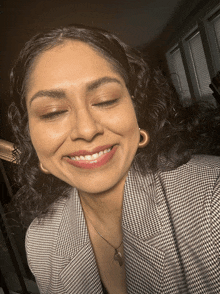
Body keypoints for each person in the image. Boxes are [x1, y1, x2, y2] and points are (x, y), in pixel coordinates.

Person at [8, 24, 220, 294]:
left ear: (136, 109)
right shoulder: (41, 242)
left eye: (106, 99)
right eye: (52, 112)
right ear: (31, 137)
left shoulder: (213, 200)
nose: (86, 129)